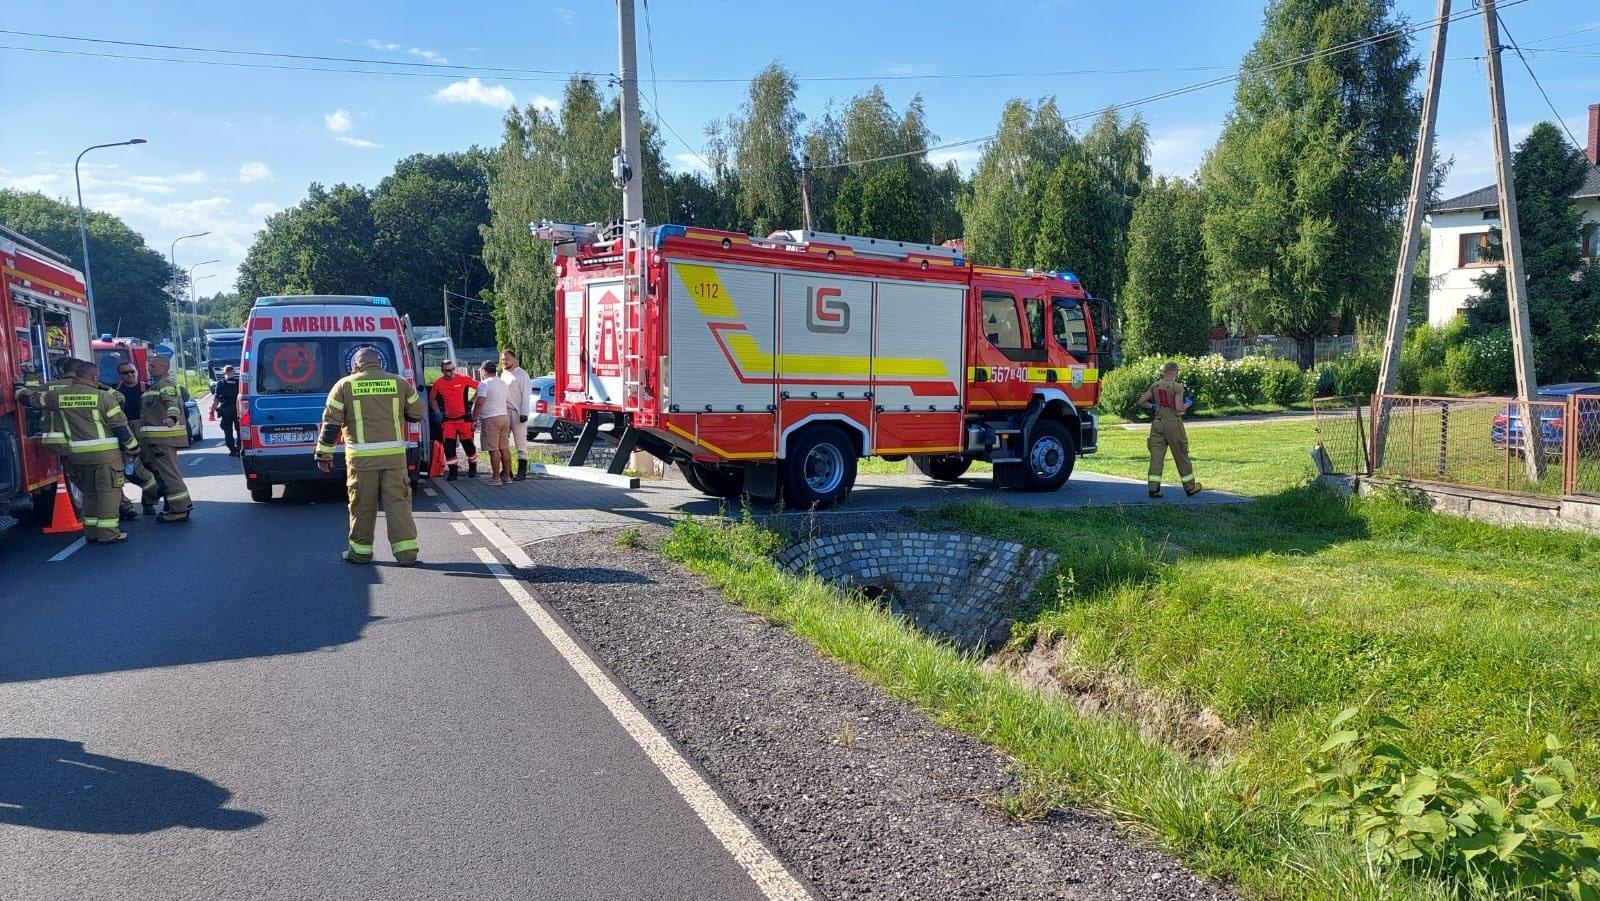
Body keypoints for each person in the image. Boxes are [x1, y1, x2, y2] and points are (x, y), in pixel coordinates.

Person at [314, 347, 424, 565]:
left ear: (356, 364)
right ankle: (406, 554)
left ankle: (360, 553)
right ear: (379, 363)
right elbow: (417, 413)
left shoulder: (344, 385)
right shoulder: (399, 383)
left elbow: (331, 426)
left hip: (361, 461)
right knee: (398, 505)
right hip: (394, 458)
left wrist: (323, 455)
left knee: (362, 506)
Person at [27, 360, 141, 543]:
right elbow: (120, 427)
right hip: (106, 456)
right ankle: (108, 533)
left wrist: (17, 386)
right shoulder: (104, 397)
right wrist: (133, 448)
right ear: (95, 377)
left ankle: (91, 531)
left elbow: (31, 399)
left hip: (78, 456)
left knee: (89, 493)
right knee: (108, 493)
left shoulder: (58, 396)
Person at [138, 356, 193, 523]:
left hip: (163, 439)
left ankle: (180, 510)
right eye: (149, 366)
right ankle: (178, 507)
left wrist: (171, 418)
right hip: (157, 440)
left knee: (169, 475)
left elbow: (172, 404)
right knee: (165, 474)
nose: (149, 369)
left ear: (164, 367)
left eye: (153, 366)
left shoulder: (165, 384)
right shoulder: (156, 384)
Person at [1137, 361, 1202, 499]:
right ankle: (1190, 487)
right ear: (1175, 372)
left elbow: (1141, 401)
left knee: (1156, 457)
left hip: (1157, 423)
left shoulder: (1155, 385)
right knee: (1181, 455)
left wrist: (1153, 406)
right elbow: (1179, 408)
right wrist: (1187, 404)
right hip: (1173, 424)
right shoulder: (1177, 386)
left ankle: (1154, 489)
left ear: (1164, 372)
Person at [111, 361, 160, 518]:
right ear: (120, 375)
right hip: (124, 430)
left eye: (132, 371)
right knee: (128, 470)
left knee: (151, 466)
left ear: (137, 372)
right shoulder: (114, 392)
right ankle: (124, 505)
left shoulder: (147, 389)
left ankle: (149, 503)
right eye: (125, 373)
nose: (130, 375)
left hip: (144, 430)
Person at [430, 360, 478, 482]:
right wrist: (437, 412)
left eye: (452, 369)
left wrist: (471, 402)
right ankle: (453, 471)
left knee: (469, 446)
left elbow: (481, 388)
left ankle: (473, 466)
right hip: (448, 421)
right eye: (448, 370)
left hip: (464, 420)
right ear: (442, 371)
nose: (451, 372)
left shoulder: (464, 379)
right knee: (449, 447)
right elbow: (432, 399)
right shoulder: (438, 384)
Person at [472, 359, 513, 486]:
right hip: (504, 417)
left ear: (484, 371)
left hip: (491, 419)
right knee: (504, 448)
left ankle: (496, 478)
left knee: (493, 449)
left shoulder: (484, 384)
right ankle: (507, 476)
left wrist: (474, 418)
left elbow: (480, 402)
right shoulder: (503, 383)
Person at [500, 349, 533, 481]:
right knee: (503, 442)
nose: (505, 361)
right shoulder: (503, 374)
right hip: (504, 412)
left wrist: (524, 412)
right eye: (503, 359)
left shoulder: (522, 375)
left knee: (520, 443)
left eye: (507, 358)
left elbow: (526, 395)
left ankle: (522, 472)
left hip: (517, 413)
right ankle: (507, 470)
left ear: (514, 359)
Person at [211, 365, 240, 456]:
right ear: (233, 372)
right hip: (238, 409)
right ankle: (239, 448)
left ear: (224, 373)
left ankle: (232, 450)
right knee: (240, 430)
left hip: (226, 410)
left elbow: (216, 399)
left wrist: (212, 411)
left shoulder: (220, 384)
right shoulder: (239, 383)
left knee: (227, 431)